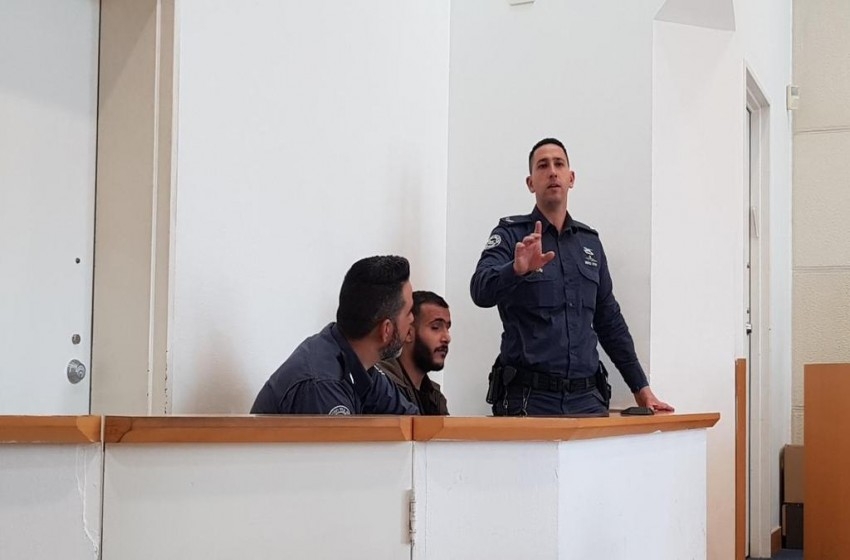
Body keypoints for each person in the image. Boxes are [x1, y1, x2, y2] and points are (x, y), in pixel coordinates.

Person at [470, 138, 673, 416]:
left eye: (559, 164)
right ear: (530, 183)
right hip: (529, 400)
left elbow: (609, 321)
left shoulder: (590, 243)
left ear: (571, 178)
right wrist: (515, 270)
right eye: (543, 166)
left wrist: (641, 389)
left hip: (587, 399)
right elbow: (480, 290)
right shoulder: (511, 234)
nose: (552, 172)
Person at [251, 255, 419, 415]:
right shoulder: (322, 385)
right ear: (386, 329)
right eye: (409, 312)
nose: (412, 319)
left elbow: (413, 421)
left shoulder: (359, 364)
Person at [379, 291, 451, 415]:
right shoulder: (383, 387)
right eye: (435, 327)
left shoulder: (435, 397)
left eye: (447, 328)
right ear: (408, 333)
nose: (447, 338)